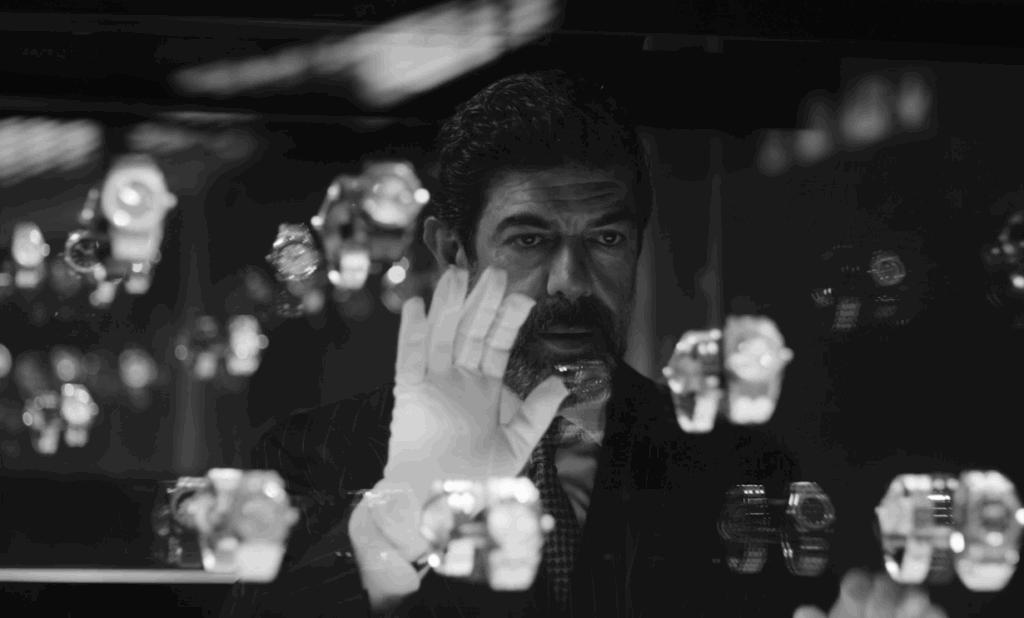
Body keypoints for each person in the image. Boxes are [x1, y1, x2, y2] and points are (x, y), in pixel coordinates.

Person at [220, 70, 949, 618]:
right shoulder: (309, 456)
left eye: (606, 239)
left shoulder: (741, 469)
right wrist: (399, 520)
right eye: (529, 239)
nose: (571, 281)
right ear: (452, 251)